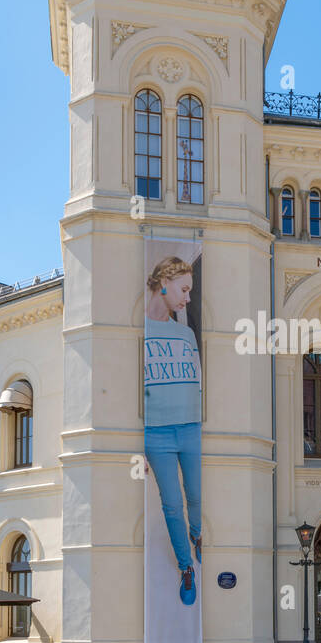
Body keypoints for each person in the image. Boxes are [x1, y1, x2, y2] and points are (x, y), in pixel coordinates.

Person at [143, 255, 203, 606]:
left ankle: (197, 537)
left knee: (195, 495)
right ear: (163, 283)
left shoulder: (186, 333)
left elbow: (197, 381)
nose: (187, 298)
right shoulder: (138, 331)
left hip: (191, 427)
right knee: (171, 505)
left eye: (191, 290)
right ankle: (186, 568)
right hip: (156, 434)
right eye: (183, 289)